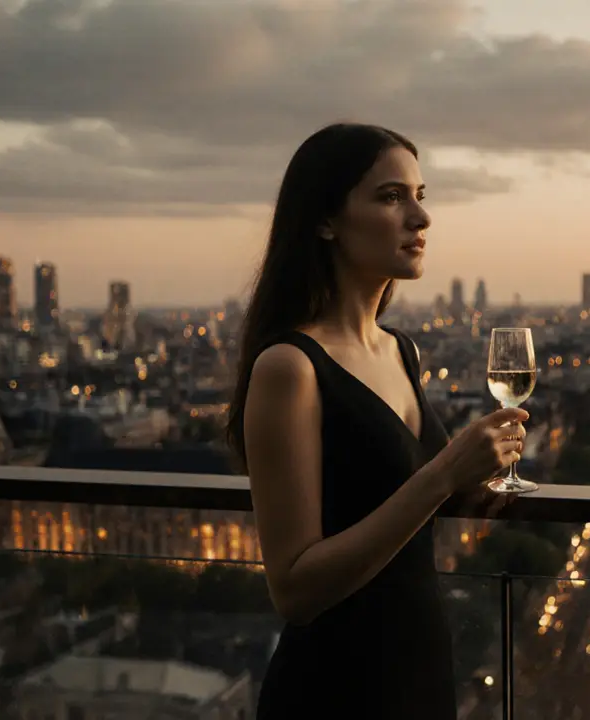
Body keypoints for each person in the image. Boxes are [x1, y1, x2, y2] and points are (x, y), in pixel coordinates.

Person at [226, 123, 528, 718]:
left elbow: (405, 484)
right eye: (392, 197)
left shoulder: (401, 351)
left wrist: (479, 476)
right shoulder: (290, 367)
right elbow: (294, 589)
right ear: (325, 222)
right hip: (336, 685)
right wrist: (444, 475)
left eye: (420, 195)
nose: (421, 217)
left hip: (418, 666)